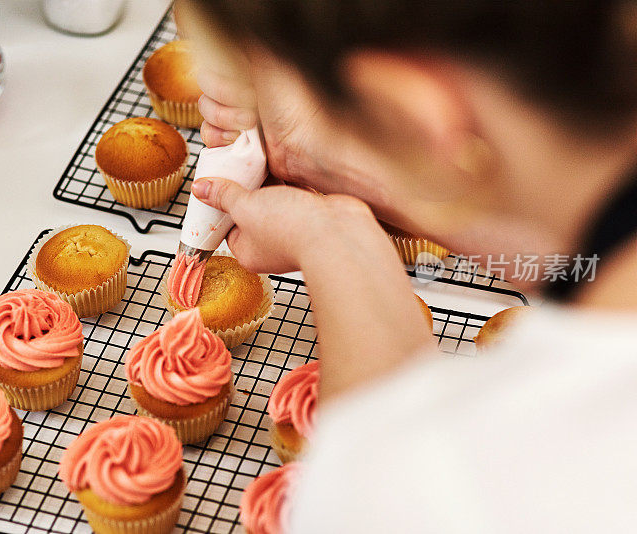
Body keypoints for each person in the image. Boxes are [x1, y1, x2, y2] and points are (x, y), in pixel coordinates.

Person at [177, 0, 637, 531]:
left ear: (407, 106)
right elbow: (587, 255)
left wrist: (331, 241)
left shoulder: (475, 480)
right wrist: (347, 179)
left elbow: (384, 482)